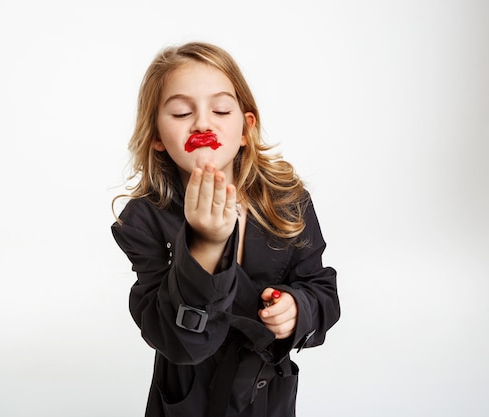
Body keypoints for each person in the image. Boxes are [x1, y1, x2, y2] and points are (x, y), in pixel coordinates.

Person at [111, 41, 340, 417]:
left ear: (246, 128)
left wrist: (299, 309)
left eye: (220, 109)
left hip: (265, 396)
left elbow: (322, 289)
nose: (203, 122)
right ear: (156, 137)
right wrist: (205, 246)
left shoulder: (288, 202)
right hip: (190, 399)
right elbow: (165, 334)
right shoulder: (143, 220)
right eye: (182, 112)